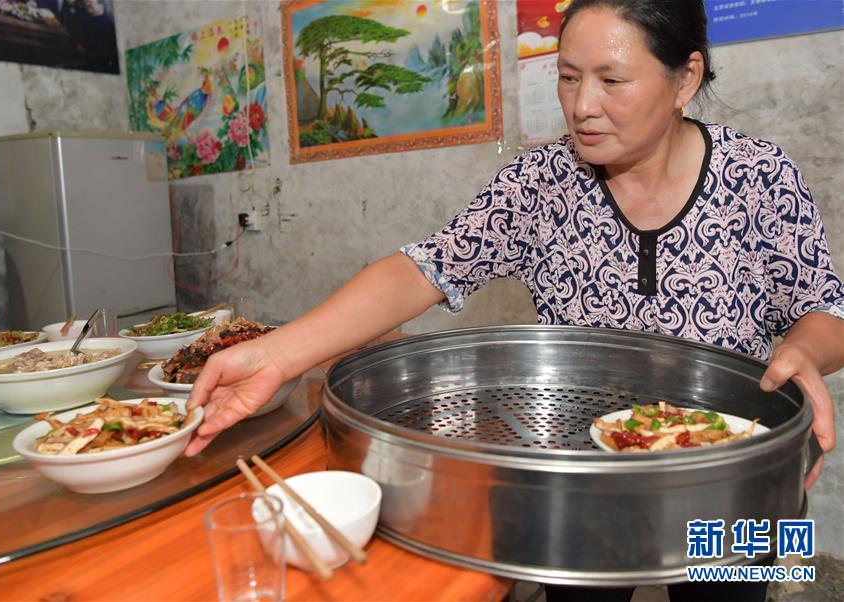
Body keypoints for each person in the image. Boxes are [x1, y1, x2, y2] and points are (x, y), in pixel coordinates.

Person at [185, 0, 843, 599]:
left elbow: (828, 310)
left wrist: (805, 348)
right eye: (567, 76)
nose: (582, 104)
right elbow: (420, 271)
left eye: (612, 80)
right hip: (579, 481)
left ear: (686, 78)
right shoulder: (541, 183)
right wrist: (277, 354)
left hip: (732, 481)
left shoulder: (758, 175)